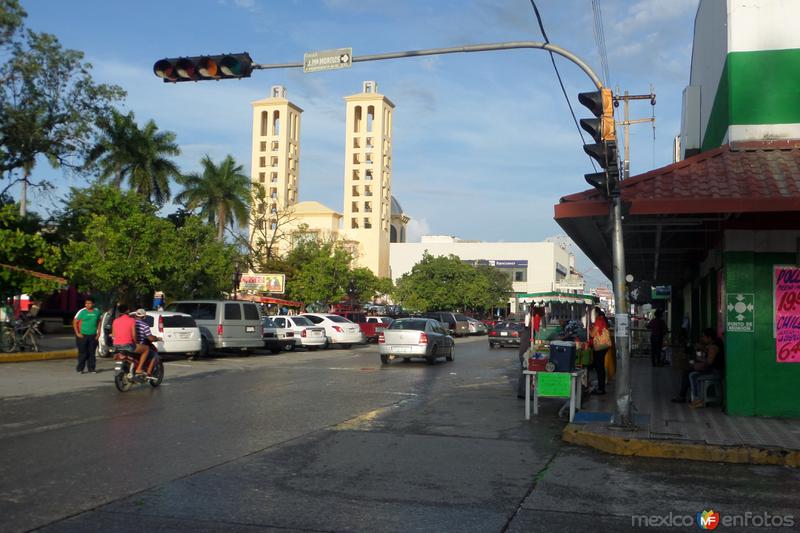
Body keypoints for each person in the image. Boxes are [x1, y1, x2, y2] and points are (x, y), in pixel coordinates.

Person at [672, 328, 725, 407]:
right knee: (688, 371)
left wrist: (700, 360)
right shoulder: (713, 344)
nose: (702, 339)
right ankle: (690, 396)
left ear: (709, 337)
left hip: (715, 372)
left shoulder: (713, 347)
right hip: (714, 370)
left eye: (704, 337)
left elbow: (709, 362)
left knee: (693, 375)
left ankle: (697, 399)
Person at [111, 304, 147, 374]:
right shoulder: (131, 320)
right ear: (127, 311)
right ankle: (139, 369)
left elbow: (113, 335)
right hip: (127, 345)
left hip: (116, 346)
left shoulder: (115, 321)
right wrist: (136, 342)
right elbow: (134, 335)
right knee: (146, 349)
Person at [72, 298, 101, 374]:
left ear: (93, 304)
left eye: (89, 303)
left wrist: (98, 333)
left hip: (93, 335)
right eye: (86, 303)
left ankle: (91, 368)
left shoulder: (97, 311)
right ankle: (80, 369)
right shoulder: (81, 312)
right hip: (82, 335)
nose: (87, 305)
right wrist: (77, 333)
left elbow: (99, 322)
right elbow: (75, 322)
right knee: (83, 352)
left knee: (92, 353)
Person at [132, 309, 162, 375]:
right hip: (139, 345)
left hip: (130, 344)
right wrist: (157, 338)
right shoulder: (145, 325)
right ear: (144, 317)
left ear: (136, 315)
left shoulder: (131, 322)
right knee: (154, 354)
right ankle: (148, 372)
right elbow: (150, 338)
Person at [589, 307, 611, 395]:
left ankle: (601, 389)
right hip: (602, 346)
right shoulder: (601, 320)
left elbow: (592, 334)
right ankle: (600, 387)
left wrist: (587, 327)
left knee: (599, 367)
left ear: (596, 313)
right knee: (599, 366)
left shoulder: (598, 321)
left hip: (600, 347)